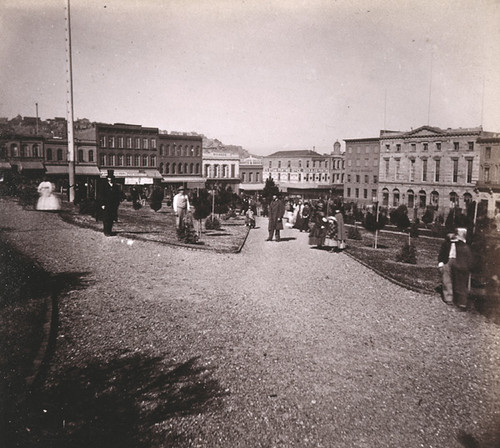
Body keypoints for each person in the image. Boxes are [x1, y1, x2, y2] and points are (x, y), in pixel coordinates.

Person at [438, 227, 475, 310]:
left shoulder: (465, 245)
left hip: (459, 262)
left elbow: (468, 257)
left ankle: (461, 301)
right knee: (446, 279)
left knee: (460, 281)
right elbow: (442, 253)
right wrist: (440, 262)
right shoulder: (447, 243)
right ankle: (448, 298)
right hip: (447, 260)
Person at [100, 172, 122, 236]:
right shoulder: (104, 186)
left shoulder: (115, 186)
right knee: (106, 218)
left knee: (111, 218)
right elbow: (101, 195)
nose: (110, 179)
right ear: (107, 179)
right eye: (109, 178)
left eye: (111, 178)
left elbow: (118, 195)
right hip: (106, 205)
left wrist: (117, 203)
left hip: (113, 205)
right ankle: (106, 231)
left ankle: (110, 231)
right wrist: (102, 204)